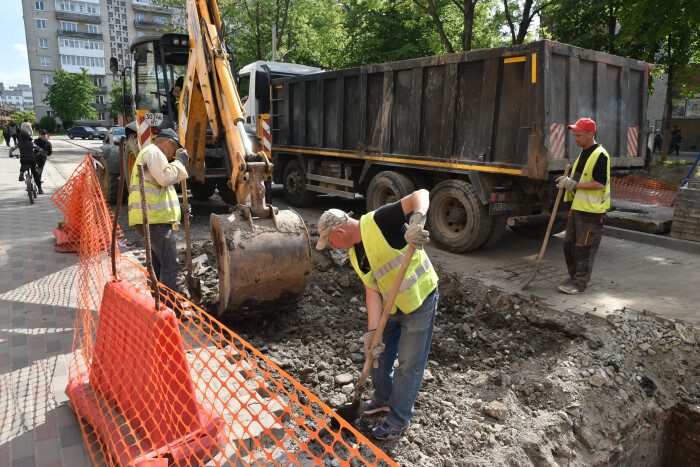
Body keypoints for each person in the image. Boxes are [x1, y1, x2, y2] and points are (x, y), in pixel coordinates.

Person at [315, 190, 438, 440]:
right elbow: (372, 292)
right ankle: (382, 399)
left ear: (339, 232)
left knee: (408, 365)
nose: (333, 247)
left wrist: (417, 221)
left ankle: (398, 420)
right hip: (392, 307)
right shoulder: (354, 254)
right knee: (377, 357)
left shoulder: (379, 220)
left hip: (419, 299)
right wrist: (373, 334)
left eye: (331, 242)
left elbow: (420, 194)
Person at [128, 128, 189, 293]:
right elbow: (166, 178)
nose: (172, 155)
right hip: (156, 221)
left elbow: (157, 191)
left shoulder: (148, 153)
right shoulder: (154, 152)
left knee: (156, 264)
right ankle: (168, 307)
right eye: (174, 150)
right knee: (170, 264)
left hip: (151, 219)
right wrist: (180, 162)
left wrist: (180, 207)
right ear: (169, 142)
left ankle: (156, 303)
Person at [555, 118, 610, 295]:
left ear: (590, 133)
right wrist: (568, 183)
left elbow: (600, 184)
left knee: (584, 248)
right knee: (568, 243)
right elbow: (578, 178)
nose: (575, 139)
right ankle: (574, 277)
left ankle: (579, 283)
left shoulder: (600, 154)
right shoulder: (584, 153)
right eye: (574, 135)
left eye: (578, 135)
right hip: (578, 207)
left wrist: (573, 185)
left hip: (592, 212)